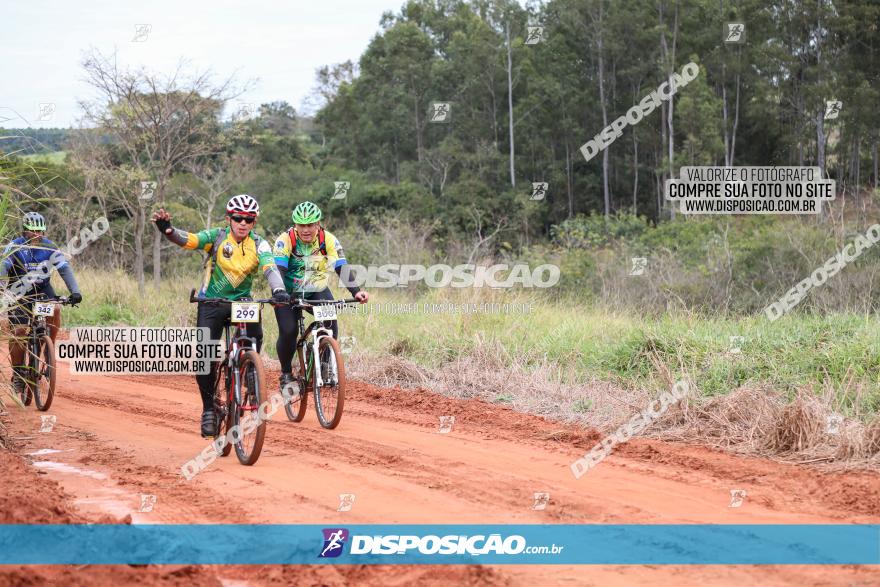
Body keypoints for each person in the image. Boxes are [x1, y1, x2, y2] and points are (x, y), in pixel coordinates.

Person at [152, 194, 290, 437]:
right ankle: (208, 409)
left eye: (248, 219)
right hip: (212, 302)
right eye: (238, 218)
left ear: (254, 222)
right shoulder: (216, 237)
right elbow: (189, 240)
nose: (243, 223)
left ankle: (249, 369)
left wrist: (278, 290)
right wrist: (168, 230)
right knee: (204, 357)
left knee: (255, 335)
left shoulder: (260, 244)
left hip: (242, 301)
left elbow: (269, 268)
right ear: (229, 219)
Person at [272, 201, 367, 390]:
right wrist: (280, 293)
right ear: (295, 225)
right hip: (288, 290)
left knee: (330, 323)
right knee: (289, 330)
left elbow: (341, 266)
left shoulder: (328, 239)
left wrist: (357, 291)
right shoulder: (286, 239)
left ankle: (323, 365)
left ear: (318, 224)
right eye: (302, 225)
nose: (306, 230)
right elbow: (279, 269)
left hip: (316, 289)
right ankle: (285, 373)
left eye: (310, 225)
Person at [0, 212, 82, 395]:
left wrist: (75, 291)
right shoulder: (15, 246)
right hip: (18, 294)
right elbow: (4, 266)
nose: (37, 234)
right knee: (20, 332)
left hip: (42, 291)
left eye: (40, 231)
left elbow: (64, 269)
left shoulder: (49, 247)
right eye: (33, 231)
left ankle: (47, 351)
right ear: (25, 231)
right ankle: (19, 373)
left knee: (56, 309)